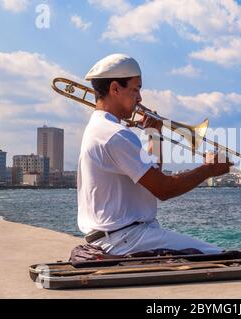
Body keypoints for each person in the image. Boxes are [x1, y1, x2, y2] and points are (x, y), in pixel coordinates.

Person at [77, 54, 232, 256]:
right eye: (136, 90)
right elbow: (164, 189)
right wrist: (208, 170)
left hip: (122, 236)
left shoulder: (100, 128)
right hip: (126, 238)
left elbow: (152, 175)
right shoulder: (115, 134)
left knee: (214, 253)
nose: (140, 98)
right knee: (219, 255)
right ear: (115, 88)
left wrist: (155, 135)